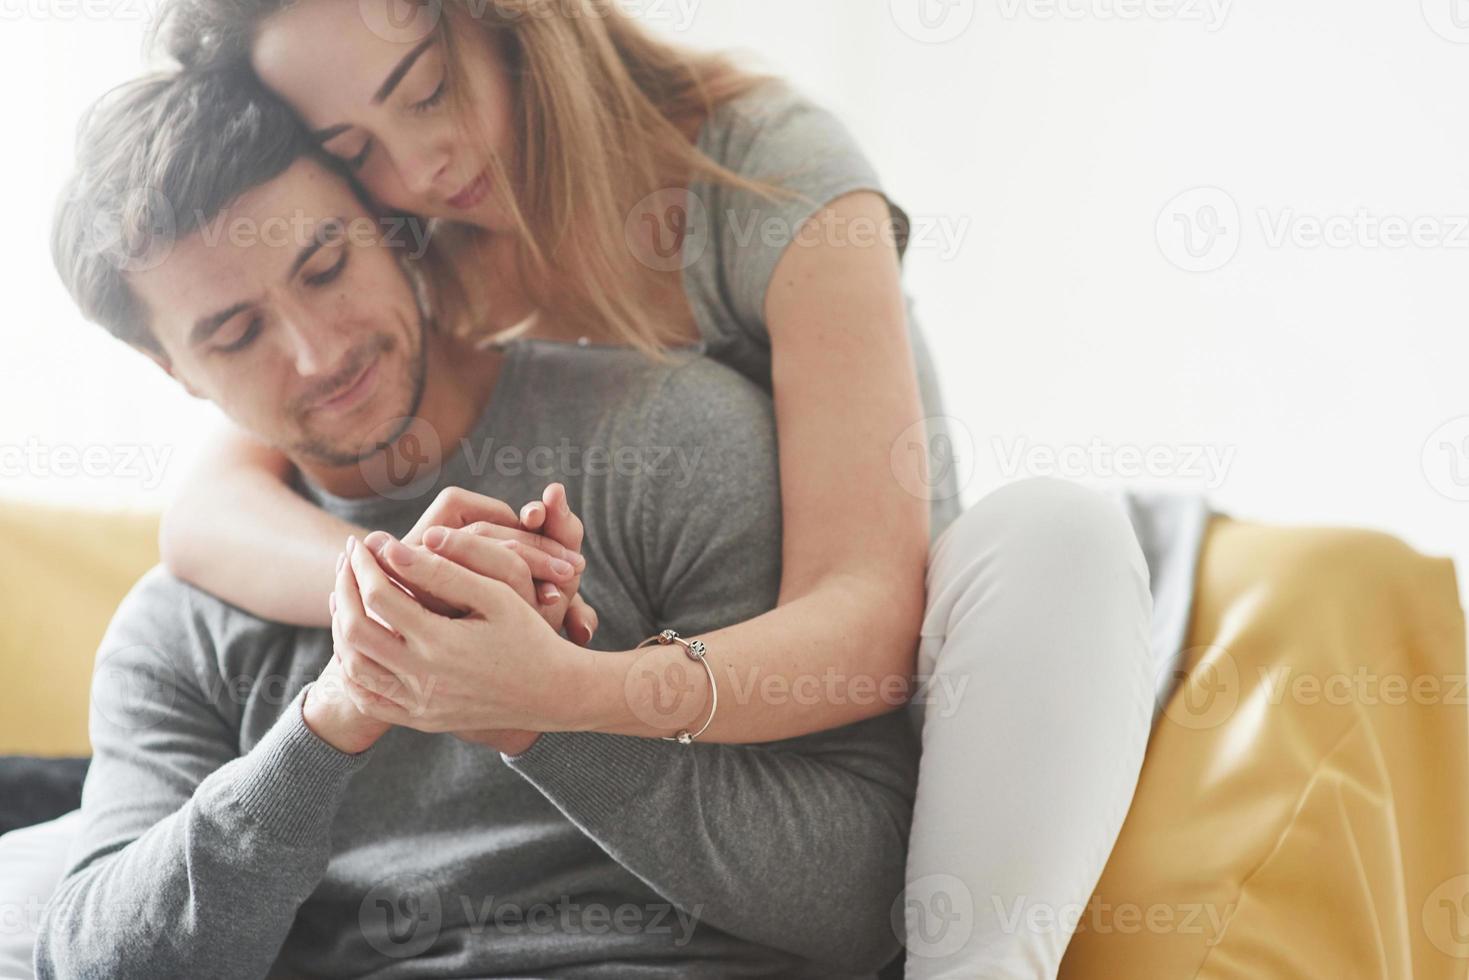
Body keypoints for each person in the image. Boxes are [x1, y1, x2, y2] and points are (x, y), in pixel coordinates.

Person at [146, 2, 1168, 974]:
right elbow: (204, 512)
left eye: (424, 90)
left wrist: (556, 691)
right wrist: (415, 594)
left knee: (1054, 528)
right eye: (354, 148)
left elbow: (865, 621)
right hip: (652, 788)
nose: (419, 164)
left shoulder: (769, 174)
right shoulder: (416, 257)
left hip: (897, 713)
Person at [36, 65, 918, 978]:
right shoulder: (177, 630)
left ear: (388, 228)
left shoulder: (667, 443)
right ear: (172, 370)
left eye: (326, 266)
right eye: (235, 334)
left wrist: (536, 709)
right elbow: (100, 965)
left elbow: (869, 900)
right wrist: (337, 713)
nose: (317, 351)